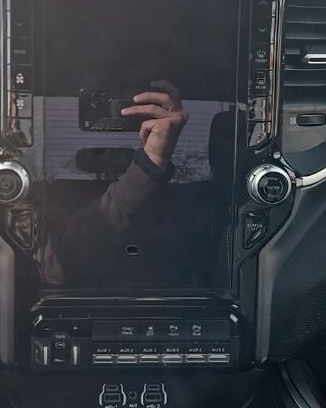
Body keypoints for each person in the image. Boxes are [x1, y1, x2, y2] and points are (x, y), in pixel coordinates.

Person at [41, 80, 228, 289]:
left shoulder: (202, 198)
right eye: (99, 153)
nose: (108, 154)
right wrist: (152, 160)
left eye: (112, 149)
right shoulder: (48, 199)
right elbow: (59, 257)